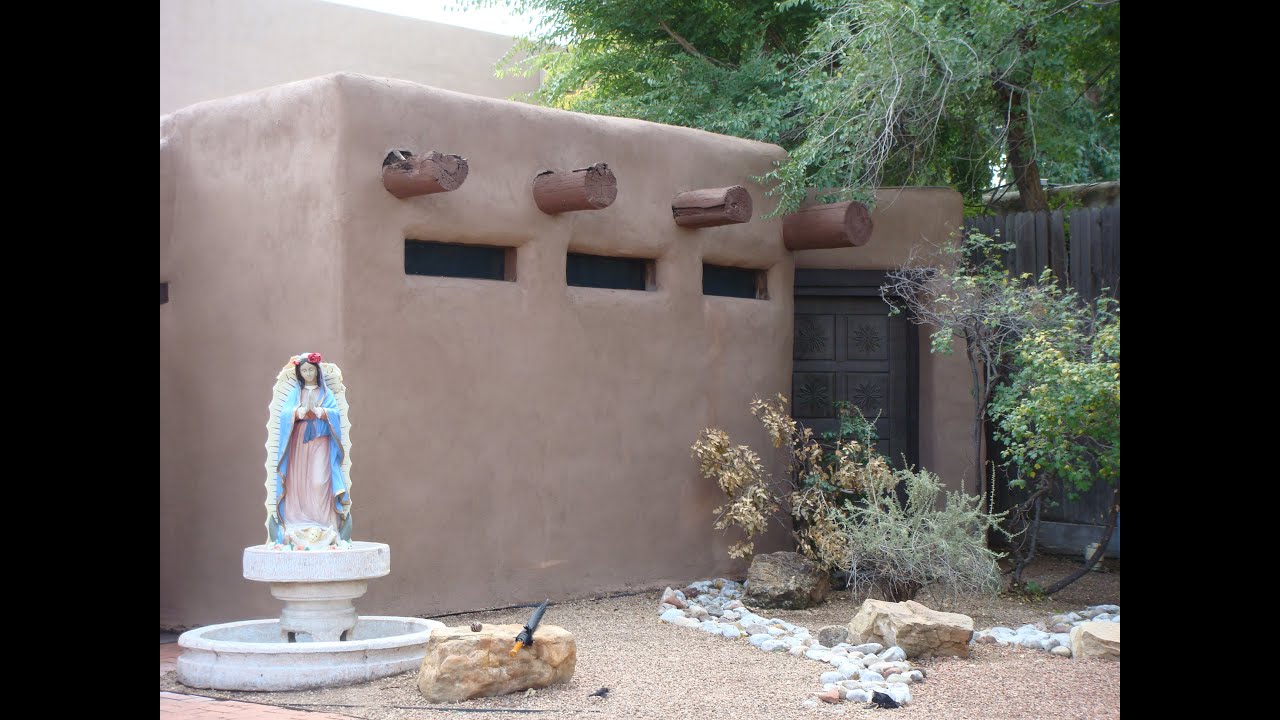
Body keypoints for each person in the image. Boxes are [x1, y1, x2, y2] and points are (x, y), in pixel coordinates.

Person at [268, 352, 350, 548]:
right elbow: (284, 415)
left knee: (319, 482)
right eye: (303, 370)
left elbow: (336, 415)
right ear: (299, 372)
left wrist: (322, 412)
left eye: (310, 370)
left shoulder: (325, 394)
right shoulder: (294, 394)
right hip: (298, 444)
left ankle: (324, 523)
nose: (307, 373)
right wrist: (298, 412)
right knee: (298, 483)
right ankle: (297, 522)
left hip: (320, 442)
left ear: (317, 371)